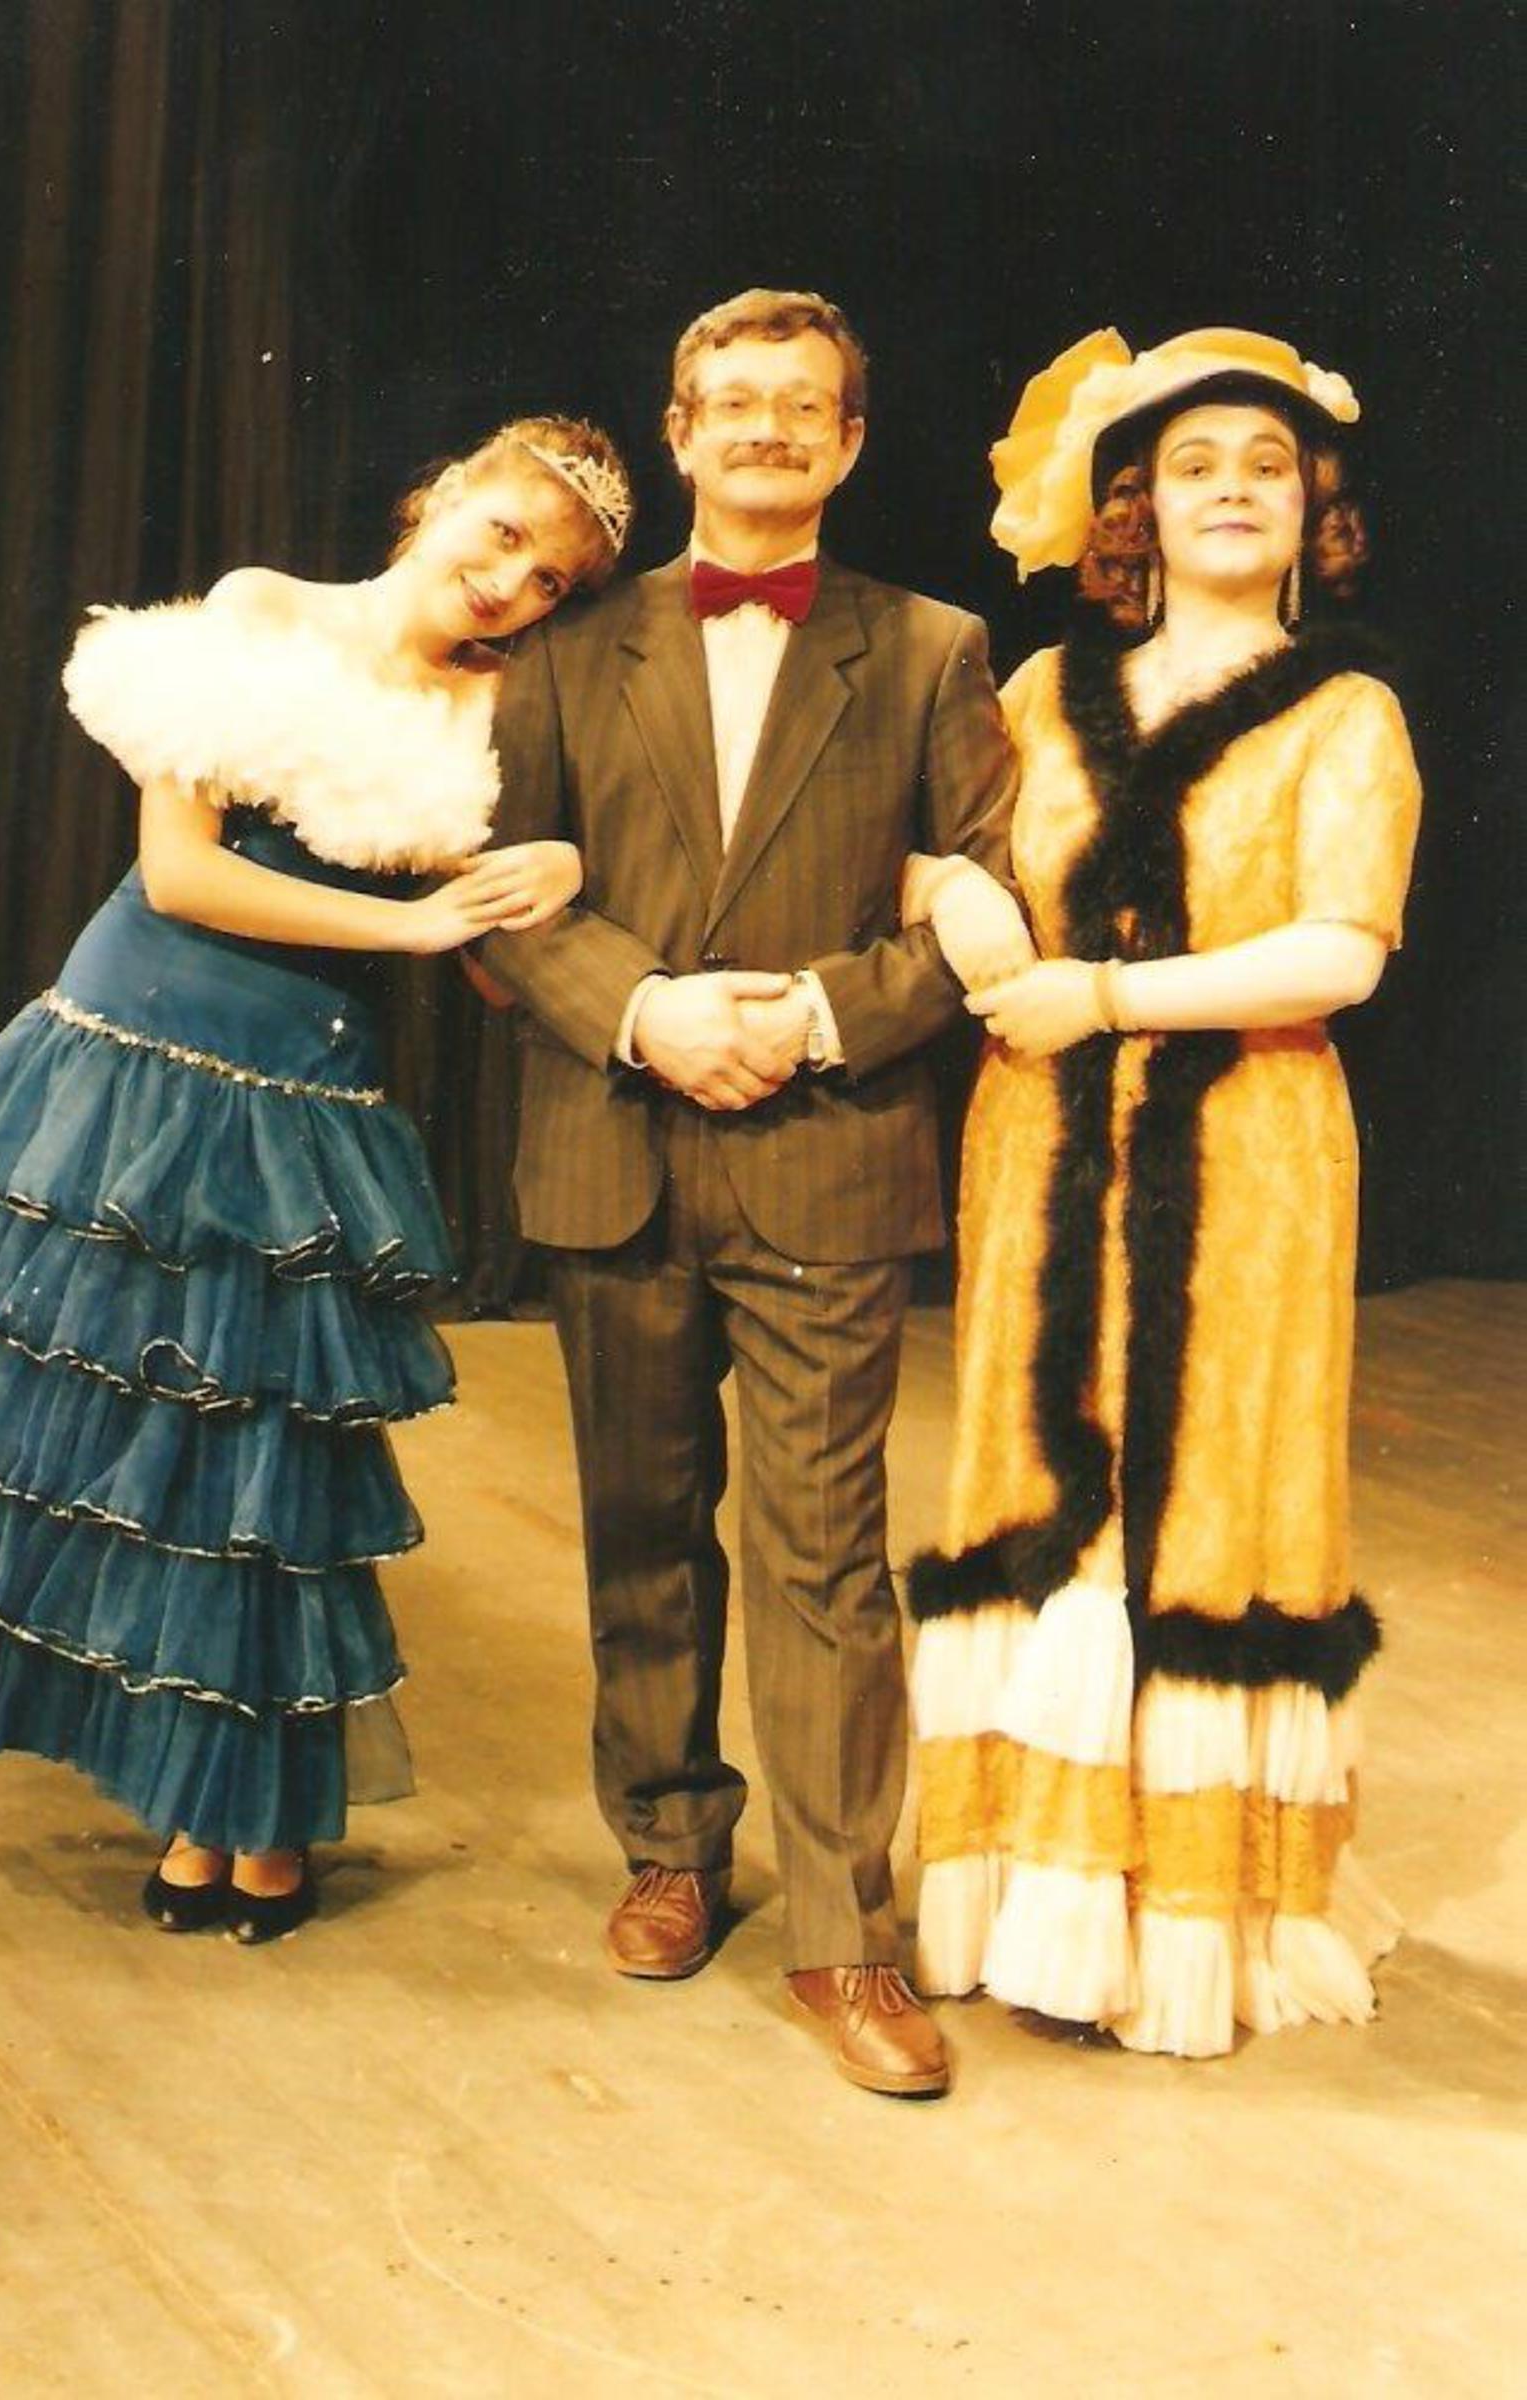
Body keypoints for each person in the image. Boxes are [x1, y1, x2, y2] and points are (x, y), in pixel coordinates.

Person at [0, 414, 632, 1943]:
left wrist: (556, 870)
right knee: (119, 1440)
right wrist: (411, 926)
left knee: (260, 1472)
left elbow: (502, 936)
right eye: (502, 534)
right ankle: (179, 1792)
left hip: (301, 1087)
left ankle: (252, 1811)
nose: (510, 582)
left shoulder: (511, 706)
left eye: (550, 579)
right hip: (132, 1049)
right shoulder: (263, 609)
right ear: (440, 497)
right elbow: (181, 873)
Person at [479, 289, 1026, 2097]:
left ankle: (846, 1933)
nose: (766, 429)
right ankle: (667, 1846)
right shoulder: (566, 644)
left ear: (849, 443)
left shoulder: (932, 648)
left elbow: (984, 911)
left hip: (825, 1154)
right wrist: (645, 1013)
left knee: (823, 1557)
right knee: (640, 1527)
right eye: (734, 402)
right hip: (614, 1142)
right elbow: (502, 892)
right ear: (681, 432)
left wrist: (806, 1016)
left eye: (803, 405)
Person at [903, 328, 1422, 2056]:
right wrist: (963, 909)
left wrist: (1106, 997)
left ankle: (1189, 1927)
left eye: (1264, 467)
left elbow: (1339, 950)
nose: (1228, 491)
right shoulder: (1043, 692)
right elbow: (940, 850)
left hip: (1246, 1148)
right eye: (1191, 466)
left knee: (1209, 1494)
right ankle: (1029, 1892)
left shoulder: (1345, 711)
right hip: (1041, 1136)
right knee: (1043, 1476)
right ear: (1132, 507)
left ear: (1312, 509)